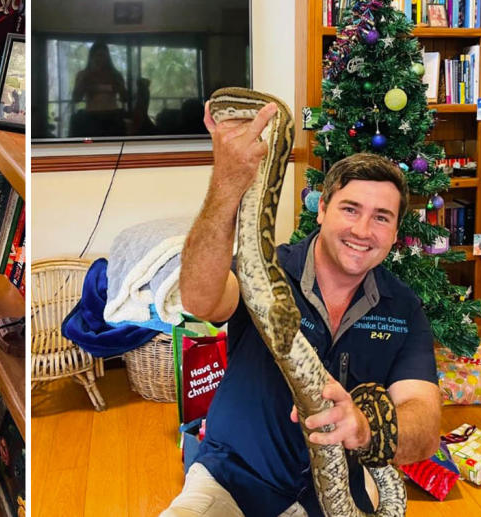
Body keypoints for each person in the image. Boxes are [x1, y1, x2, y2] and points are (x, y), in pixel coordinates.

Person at [161, 103, 442, 517]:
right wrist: (226, 183)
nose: (363, 231)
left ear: (396, 232)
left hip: (337, 492)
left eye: (381, 218)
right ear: (322, 208)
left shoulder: (403, 308)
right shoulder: (265, 271)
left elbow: (424, 426)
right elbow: (199, 300)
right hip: (235, 477)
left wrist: (363, 427)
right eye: (350, 209)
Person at [69, 42, 128, 137]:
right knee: (92, 146)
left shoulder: (115, 75)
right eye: (97, 55)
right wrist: (84, 79)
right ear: (91, 57)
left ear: (108, 57)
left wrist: (118, 86)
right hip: (91, 117)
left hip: (112, 117)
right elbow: (76, 99)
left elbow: (125, 98)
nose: (100, 59)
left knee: (112, 147)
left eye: (103, 56)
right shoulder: (83, 74)